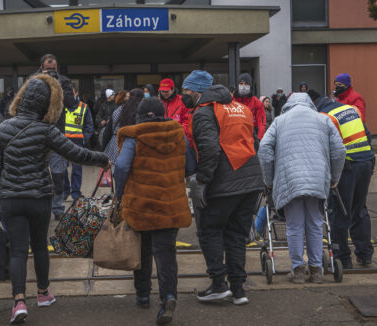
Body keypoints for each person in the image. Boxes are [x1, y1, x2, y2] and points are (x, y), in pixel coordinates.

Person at [0, 74, 109, 324]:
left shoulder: (4, 128)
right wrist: (102, 159)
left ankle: (19, 301)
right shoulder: (46, 130)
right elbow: (76, 153)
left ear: (22, 98)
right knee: (40, 246)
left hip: (10, 198)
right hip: (39, 197)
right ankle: (43, 293)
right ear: (46, 104)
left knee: (18, 250)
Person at [184, 70, 264, 304]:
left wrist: (202, 182)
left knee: (209, 230)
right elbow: (253, 141)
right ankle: (238, 289)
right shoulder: (241, 108)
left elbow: (210, 150)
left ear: (198, 91)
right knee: (237, 235)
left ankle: (218, 284)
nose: (184, 95)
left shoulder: (204, 112)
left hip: (224, 181)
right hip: (250, 179)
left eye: (186, 91)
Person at [114, 97, 193, 325]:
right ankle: (168, 296)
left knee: (142, 250)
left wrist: (120, 194)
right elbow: (190, 166)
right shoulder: (178, 134)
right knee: (166, 253)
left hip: (142, 205)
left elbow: (121, 167)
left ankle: (142, 295)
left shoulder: (134, 136)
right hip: (171, 205)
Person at [258, 93, 346, 284]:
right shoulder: (323, 120)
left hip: (290, 179)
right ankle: (316, 270)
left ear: (288, 104)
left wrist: (269, 180)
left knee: (294, 225)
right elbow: (339, 150)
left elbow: (264, 149)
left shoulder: (280, 121)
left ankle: (298, 270)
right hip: (317, 178)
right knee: (315, 223)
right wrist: (334, 178)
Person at [312, 90, 375, 269]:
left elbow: (327, 147)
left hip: (347, 167)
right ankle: (365, 254)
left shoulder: (324, 116)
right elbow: (368, 136)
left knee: (340, 213)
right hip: (366, 162)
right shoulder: (351, 109)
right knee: (360, 210)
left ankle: (342, 258)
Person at [63, 83, 94, 200]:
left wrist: (83, 139)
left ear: (76, 93)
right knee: (62, 169)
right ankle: (65, 191)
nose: (69, 95)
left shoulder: (84, 107)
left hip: (78, 143)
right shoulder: (61, 106)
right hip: (62, 143)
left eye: (71, 93)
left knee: (77, 170)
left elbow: (89, 126)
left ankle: (75, 193)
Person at [103, 89, 143, 163]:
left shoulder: (118, 110)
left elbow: (107, 132)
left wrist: (105, 147)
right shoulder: (141, 112)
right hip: (135, 148)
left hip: (115, 146)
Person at [233, 73, 266, 141]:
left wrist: (259, 139)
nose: (243, 86)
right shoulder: (231, 101)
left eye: (246, 84)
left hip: (251, 138)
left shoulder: (257, 103)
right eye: (241, 83)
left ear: (250, 86)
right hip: (234, 138)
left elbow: (261, 123)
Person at [159, 78, 190, 142]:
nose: (164, 93)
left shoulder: (182, 101)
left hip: (179, 136)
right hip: (162, 137)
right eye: (162, 91)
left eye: (167, 91)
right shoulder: (158, 102)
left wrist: (177, 132)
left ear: (173, 89)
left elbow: (187, 121)